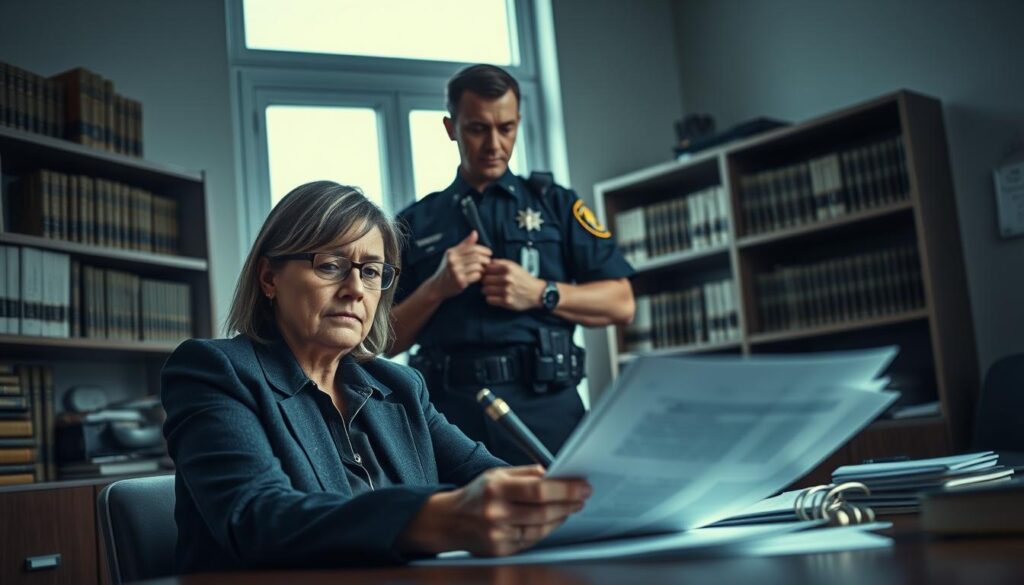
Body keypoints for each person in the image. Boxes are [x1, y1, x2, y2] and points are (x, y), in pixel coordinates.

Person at [160, 181, 591, 572]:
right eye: (330, 265)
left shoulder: (401, 387)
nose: (355, 289)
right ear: (270, 277)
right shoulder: (212, 371)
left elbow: (484, 473)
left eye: (371, 272)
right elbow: (257, 520)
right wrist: (436, 519)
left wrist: (560, 497)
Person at [390, 64, 635, 465]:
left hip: (546, 407)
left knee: (566, 506)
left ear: (518, 122)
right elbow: (382, 341)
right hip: (449, 418)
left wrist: (541, 292)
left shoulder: (555, 204)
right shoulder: (414, 222)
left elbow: (621, 303)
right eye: (477, 129)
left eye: (505, 128)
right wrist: (436, 288)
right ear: (451, 128)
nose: (494, 144)